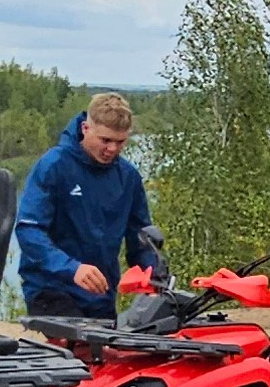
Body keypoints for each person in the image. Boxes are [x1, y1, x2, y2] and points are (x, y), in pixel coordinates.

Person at [15, 91, 162, 321]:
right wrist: (72, 269)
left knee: (124, 342)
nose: (112, 149)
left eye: (120, 142)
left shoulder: (128, 178)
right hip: (51, 291)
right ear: (85, 128)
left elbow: (141, 239)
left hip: (100, 294)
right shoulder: (53, 166)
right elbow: (28, 231)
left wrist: (155, 276)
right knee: (76, 342)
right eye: (105, 140)